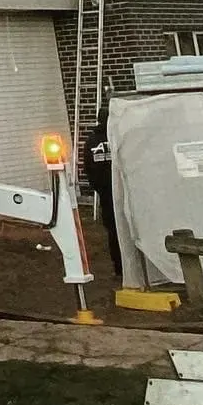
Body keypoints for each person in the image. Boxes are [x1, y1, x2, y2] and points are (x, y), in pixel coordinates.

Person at [83, 103, 122, 281]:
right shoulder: (118, 138)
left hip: (106, 194)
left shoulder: (91, 143)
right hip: (123, 192)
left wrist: (99, 189)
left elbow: (88, 169)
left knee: (113, 230)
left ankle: (119, 267)